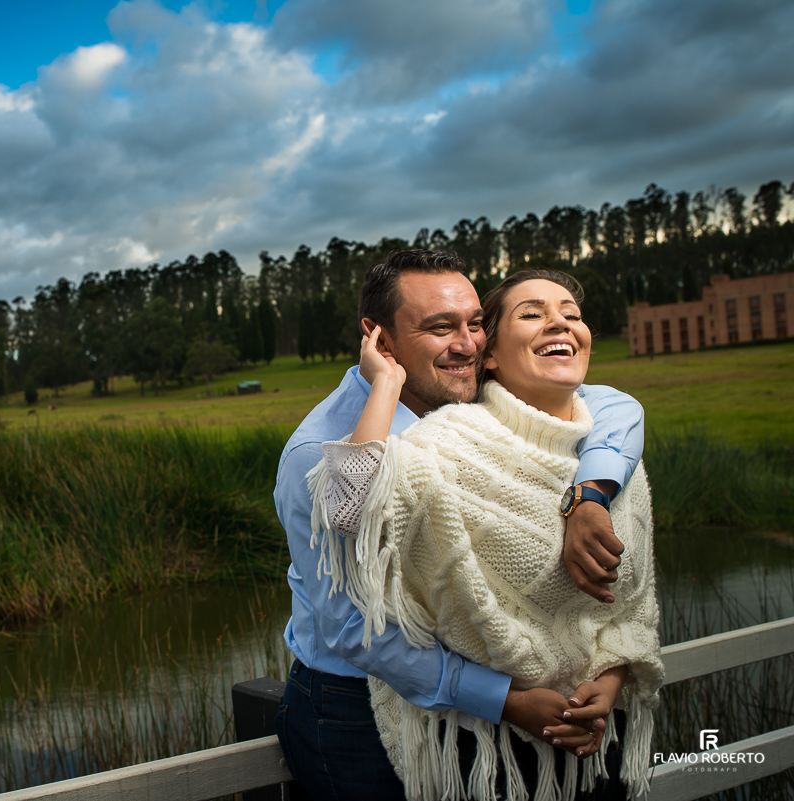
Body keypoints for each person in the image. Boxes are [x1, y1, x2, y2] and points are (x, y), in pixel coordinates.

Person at [273, 251, 644, 801]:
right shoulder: (320, 453)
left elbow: (610, 404)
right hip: (356, 709)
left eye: (475, 324)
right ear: (379, 338)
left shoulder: (474, 404)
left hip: (471, 704)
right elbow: (354, 629)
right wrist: (505, 699)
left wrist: (589, 498)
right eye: (440, 327)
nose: (467, 344)